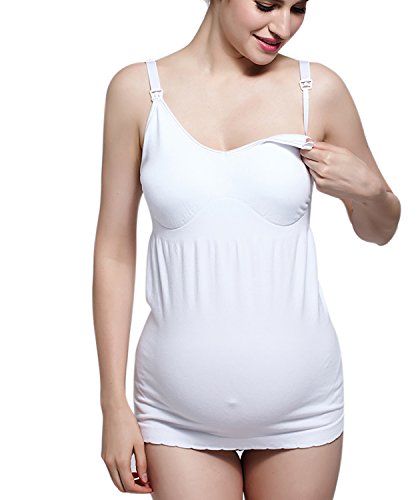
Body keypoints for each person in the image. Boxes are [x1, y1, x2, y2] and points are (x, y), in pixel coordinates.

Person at [92, 0, 401, 498]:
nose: (282, 26)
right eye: (266, 4)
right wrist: (112, 404)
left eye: (298, 8)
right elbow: (113, 252)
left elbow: (380, 229)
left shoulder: (316, 90)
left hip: (301, 410)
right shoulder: (137, 91)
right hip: (175, 414)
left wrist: (369, 191)